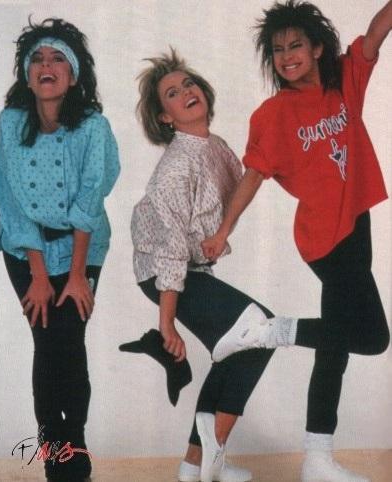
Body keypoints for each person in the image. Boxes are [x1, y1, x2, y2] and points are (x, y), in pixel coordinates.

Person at [202, 2, 391, 481]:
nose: (287, 56)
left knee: (352, 341)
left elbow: (375, 33)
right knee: (356, 342)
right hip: (325, 238)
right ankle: (315, 453)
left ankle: (315, 451)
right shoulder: (274, 114)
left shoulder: (344, 82)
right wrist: (223, 231)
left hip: (358, 225)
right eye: (278, 49)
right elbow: (252, 177)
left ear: (317, 48)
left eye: (295, 46)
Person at [123, 49, 275, 482]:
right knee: (260, 331)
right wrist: (166, 324)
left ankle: (193, 464)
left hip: (191, 268)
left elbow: (241, 189)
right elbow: (170, 250)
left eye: (188, 84)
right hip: (163, 272)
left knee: (237, 348)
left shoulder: (215, 146)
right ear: (165, 117)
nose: (186, 92)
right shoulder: (176, 166)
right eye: (172, 93)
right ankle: (213, 447)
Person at [0, 17, 120, 482]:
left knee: (70, 339)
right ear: (27, 75)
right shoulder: (11, 122)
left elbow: (90, 197)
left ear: (74, 74)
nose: (47, 65)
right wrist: (40, 274)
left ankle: (74, 440)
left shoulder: (93, 127)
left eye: (58, 58)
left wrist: (79, 274)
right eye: (38, 59)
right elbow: (8, 197)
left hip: (83, 248)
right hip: (26, 252)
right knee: (47, 341)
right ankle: (54, 450)